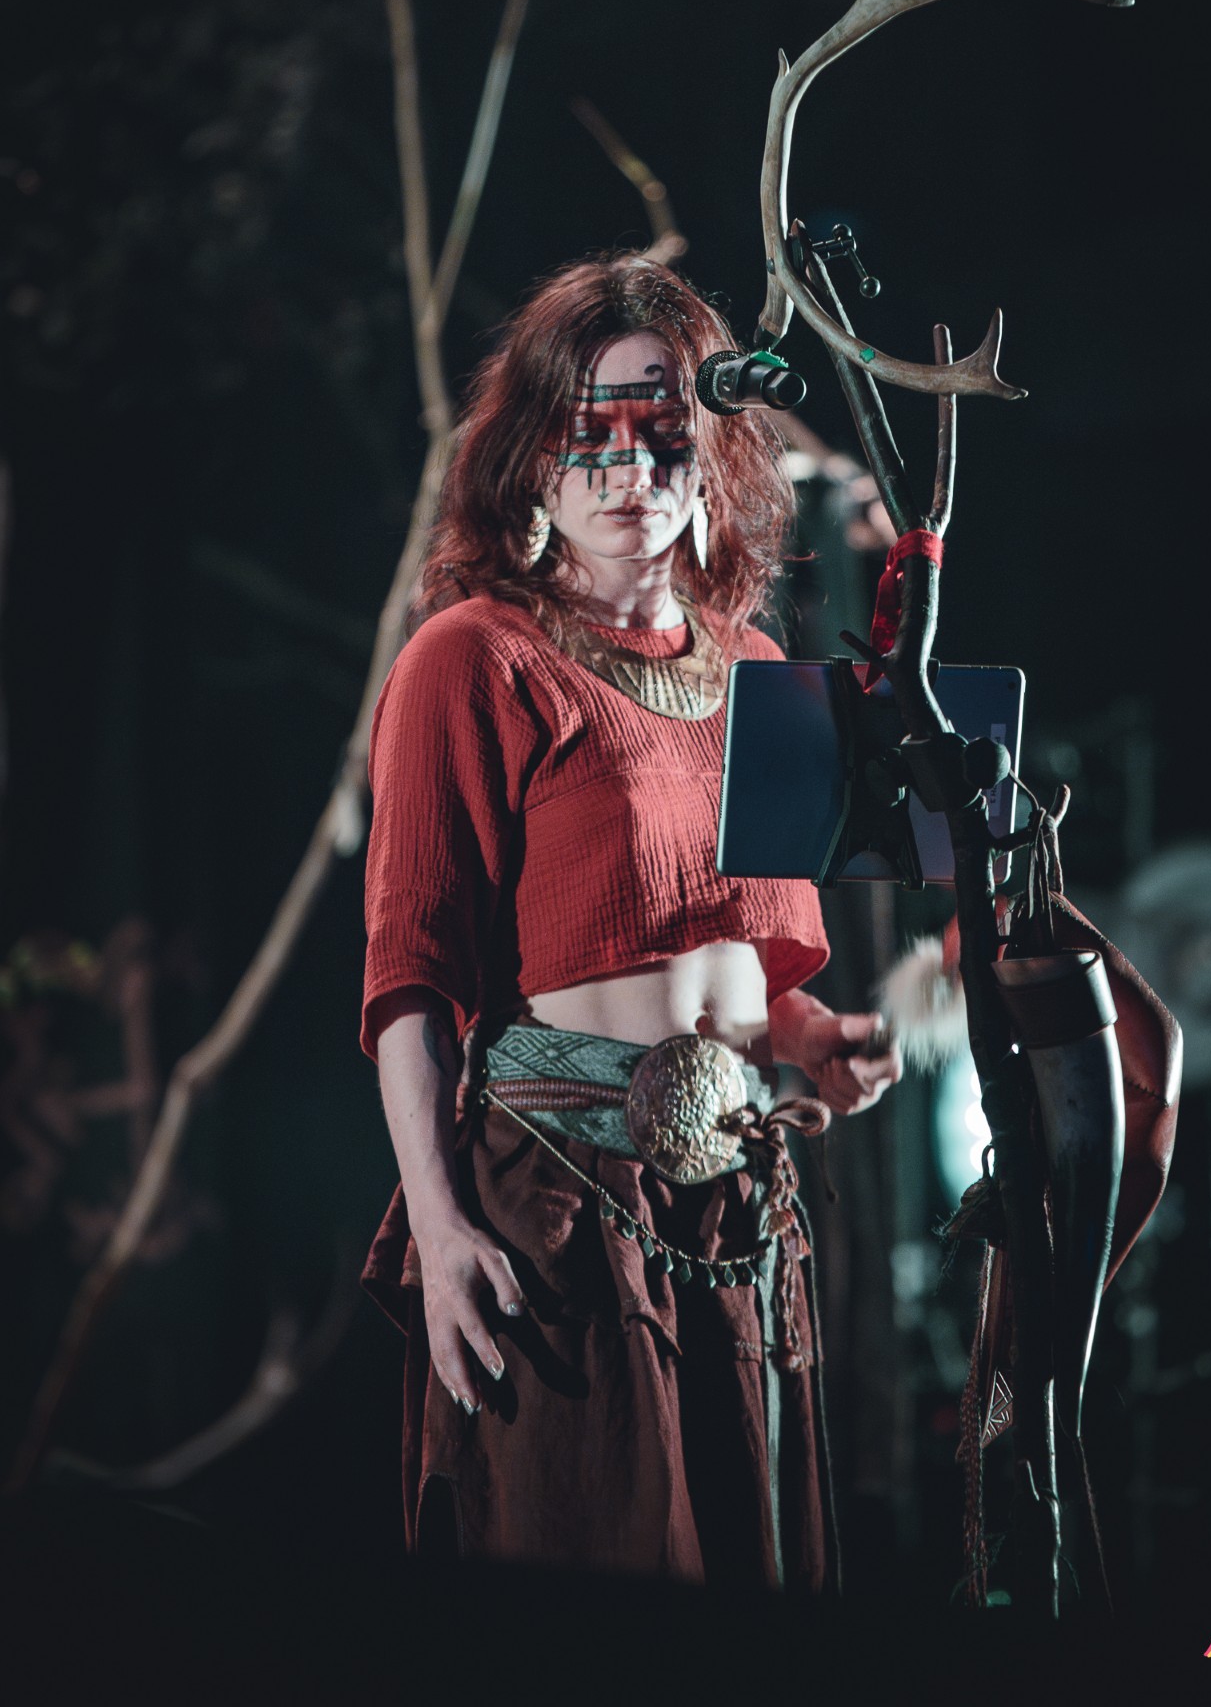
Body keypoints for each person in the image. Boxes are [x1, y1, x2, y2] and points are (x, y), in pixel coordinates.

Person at [359, 255, 902, 1589]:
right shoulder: (471, 657)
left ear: (709, 457)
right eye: (587, 432)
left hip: (734, 1199)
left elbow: (747, 958)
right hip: (560, 1194)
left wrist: (820, 1039)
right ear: (533, 466)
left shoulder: (761, 672)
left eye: (661, 431)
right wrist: (439, 1229)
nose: (627, 467)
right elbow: (411, 980)